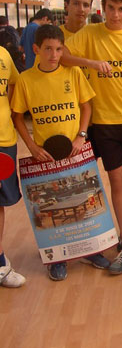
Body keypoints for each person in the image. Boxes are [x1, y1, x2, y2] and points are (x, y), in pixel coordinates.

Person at [61, 0, 122, 275]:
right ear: (103, 8)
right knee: (116, 181)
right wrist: (89, 62)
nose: (115, 15)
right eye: (111, 9)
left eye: (121, 10)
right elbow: (61, 55)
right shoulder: (89, 33)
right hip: (104, 122)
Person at [11, 24, 99, 281]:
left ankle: (91, 249)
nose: (54, 54)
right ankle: (58, 259)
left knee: (83, 201)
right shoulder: (26, 80)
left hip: (74, 151)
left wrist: (81, 136)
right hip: (46, 156)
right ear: (36, 49)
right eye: (48, 48)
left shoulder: (72, 74)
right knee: (54, 207)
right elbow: (17, 117)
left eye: (59, 49)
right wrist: (32, 146)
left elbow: (86, 106)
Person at [0, 40, 24, 287]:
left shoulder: (4, 55)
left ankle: (0, 263)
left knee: (0, 204)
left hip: (4, 140)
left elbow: (14, 84)